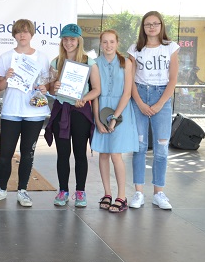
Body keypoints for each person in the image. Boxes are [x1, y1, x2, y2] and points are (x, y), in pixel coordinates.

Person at [0, 19, 51, 207]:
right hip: (11, 111)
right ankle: (1, 189)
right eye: (18, 32)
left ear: (32, 34)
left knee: (27, 153)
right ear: (14, 35)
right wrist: (6, 78)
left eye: (26, 31)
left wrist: (44, 87)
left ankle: (23, 190)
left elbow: (46, 84)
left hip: (34, 113)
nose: (22, 35)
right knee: (5, 153)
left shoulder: (42, 57)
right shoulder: (6, 56)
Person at [127, 11, 179, 210]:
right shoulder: (135, 49)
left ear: (161, 25)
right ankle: (139, 192)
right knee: (139, 147)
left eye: (155, 23)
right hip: (139, 96)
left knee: (161, 148)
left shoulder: (171, 47)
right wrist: (139, 102)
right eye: (148, 24)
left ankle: (159, 193)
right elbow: (130, 80)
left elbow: (173, 80)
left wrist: (159, 104)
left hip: (162, 97)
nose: (152, 27)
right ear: (143, 27)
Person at [45, 23, 100, 207]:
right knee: (62, 153)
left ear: (79, 41)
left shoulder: (89, 62)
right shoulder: (56, 62)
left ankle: (80, 191)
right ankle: (63, 191)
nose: (69, 43)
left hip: (80, 112)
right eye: (65, 39)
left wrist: (84, 98)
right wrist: (55, 87)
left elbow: (97, 89)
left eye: (72, 39)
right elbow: (51, 90)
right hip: (61, 110)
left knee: (80, 153)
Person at [90, 30, 138, 213]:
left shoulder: (126, 63)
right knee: (103, 154)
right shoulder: (94, 64)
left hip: (121, 110)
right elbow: (95, 93)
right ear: (100, 44)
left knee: (116, 154)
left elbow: (127, 93)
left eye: (111, 41)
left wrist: (115, 118)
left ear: (117, 43)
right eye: (105, 42)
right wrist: (98, 119)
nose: (108, 45)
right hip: (102, 109)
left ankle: (122, 196)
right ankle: (107, 193)